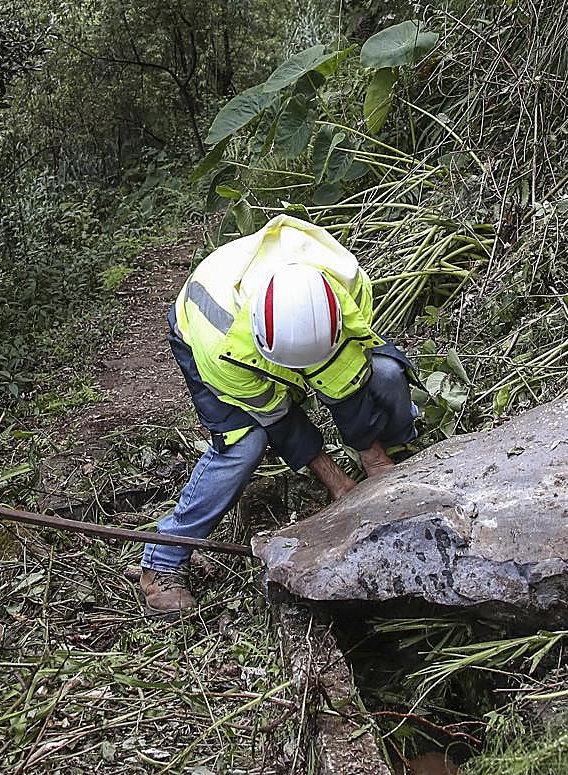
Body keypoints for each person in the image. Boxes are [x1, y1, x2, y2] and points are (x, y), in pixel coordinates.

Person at [140, 214, 418, 616]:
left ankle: (397, 455)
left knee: (385, 373)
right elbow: (279, 418)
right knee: (244, 445)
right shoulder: (222, 346)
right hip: (199, 332)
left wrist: (376, 465)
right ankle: (162, 563)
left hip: (301, 328)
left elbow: (343, 379)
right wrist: (339, 484)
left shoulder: (342, 281)